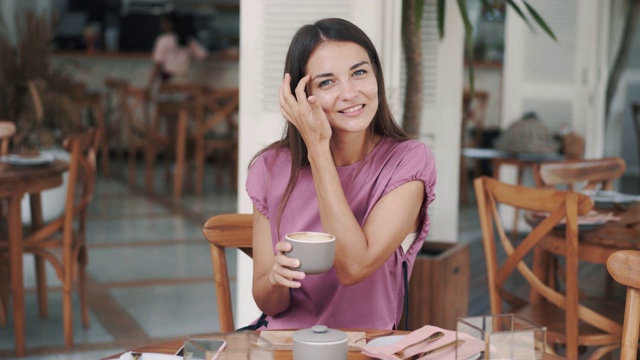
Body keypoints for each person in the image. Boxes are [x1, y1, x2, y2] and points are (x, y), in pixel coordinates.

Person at [246, 18, 436, 330]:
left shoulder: (408, 161)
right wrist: (276, 280)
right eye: (326, 82)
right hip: (283, 345)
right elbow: (270, 305)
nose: (349, 94)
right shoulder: (271, 167)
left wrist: (317, 150)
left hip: (364, 347)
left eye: (359, 72)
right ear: (299, 94)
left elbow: (353, 266)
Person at [147, 11, 208, 90]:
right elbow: (203, 55)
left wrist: (149, 85)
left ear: (169, 24)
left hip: (167, 82)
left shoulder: (163, 40)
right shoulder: (188, 40)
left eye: (163, 23)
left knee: (166, 101)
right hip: (183, 81)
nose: (161, 25)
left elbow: (158, 64)